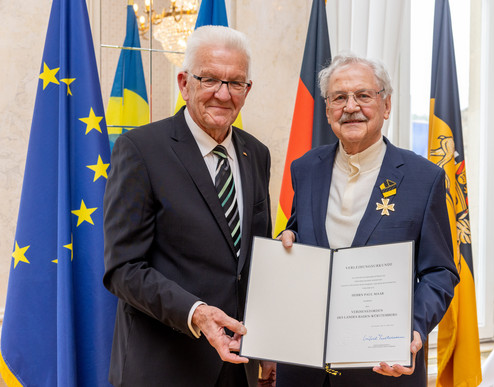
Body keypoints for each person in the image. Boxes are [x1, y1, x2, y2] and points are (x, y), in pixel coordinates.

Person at [103, 25, 274, 387]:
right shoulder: (140, 150)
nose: (223, 95)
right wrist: (196, 314)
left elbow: (255, 262)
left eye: (236, 83)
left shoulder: (256, 154)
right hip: (164, 368)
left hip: (237, 367)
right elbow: (123, 268)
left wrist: (269, 345)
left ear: (248, 90)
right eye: (209, 79)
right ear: (184, 82)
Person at [276, 53, 460, 387]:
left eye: (363, 95)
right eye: (339, 98)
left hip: (383, 370)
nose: (350, 107)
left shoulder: (424, 178)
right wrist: (286, 244)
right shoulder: (304, 168)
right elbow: (301, 232)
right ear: (328, 109)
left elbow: (439, 272)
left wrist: (413, 328)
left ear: (386, 106)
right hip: (303, 368)